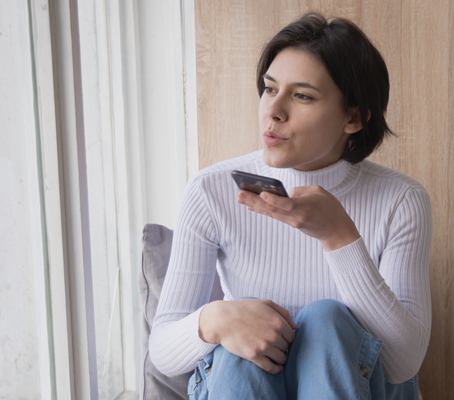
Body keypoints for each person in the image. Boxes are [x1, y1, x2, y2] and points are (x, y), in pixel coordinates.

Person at [149, 12, 432, 400]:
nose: (274, 110)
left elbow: (404, 364)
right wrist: (216, 319)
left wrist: (339, 236)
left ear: (354, 117)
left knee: (326, 320)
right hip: (244, 381)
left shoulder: (401, 200)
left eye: (301, 96)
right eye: (269, 88)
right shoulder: (210, 190)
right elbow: (163, 352)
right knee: (241, 342)